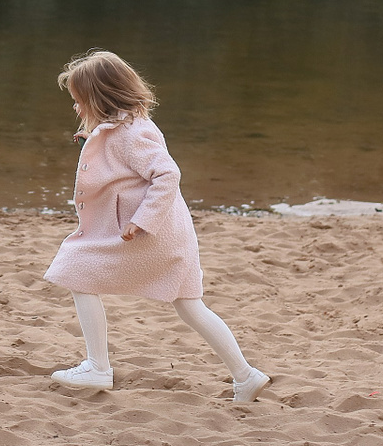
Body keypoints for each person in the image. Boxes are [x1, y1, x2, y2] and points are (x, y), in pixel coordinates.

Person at [42, 49, 270, 402]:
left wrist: (142, 220)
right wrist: (93, 143)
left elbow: (167, 174)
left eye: (79, 100)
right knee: (190, 306)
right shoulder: (124, 127)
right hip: (171, 233)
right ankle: (246, 375)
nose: (75, 107)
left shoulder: (131, 133)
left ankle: (97, 366)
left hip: (147, 232)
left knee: (76, 269)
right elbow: (123, 165)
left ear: (100, 99)